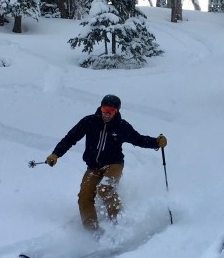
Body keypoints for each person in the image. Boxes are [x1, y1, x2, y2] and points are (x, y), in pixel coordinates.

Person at [45, 94, 167, 231]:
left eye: (111, 111)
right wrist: (56, 154)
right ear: (100, 107)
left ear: (117, 112)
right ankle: (93, 232)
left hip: (114, 164)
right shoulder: (89, 122)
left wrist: (156, 142)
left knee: (105, 188)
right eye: (105, 109)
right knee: (84, 197)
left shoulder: (121, 126)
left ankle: (119, 223)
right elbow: (70, 138)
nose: (107, 114)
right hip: (93, 167)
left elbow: (138, 139)